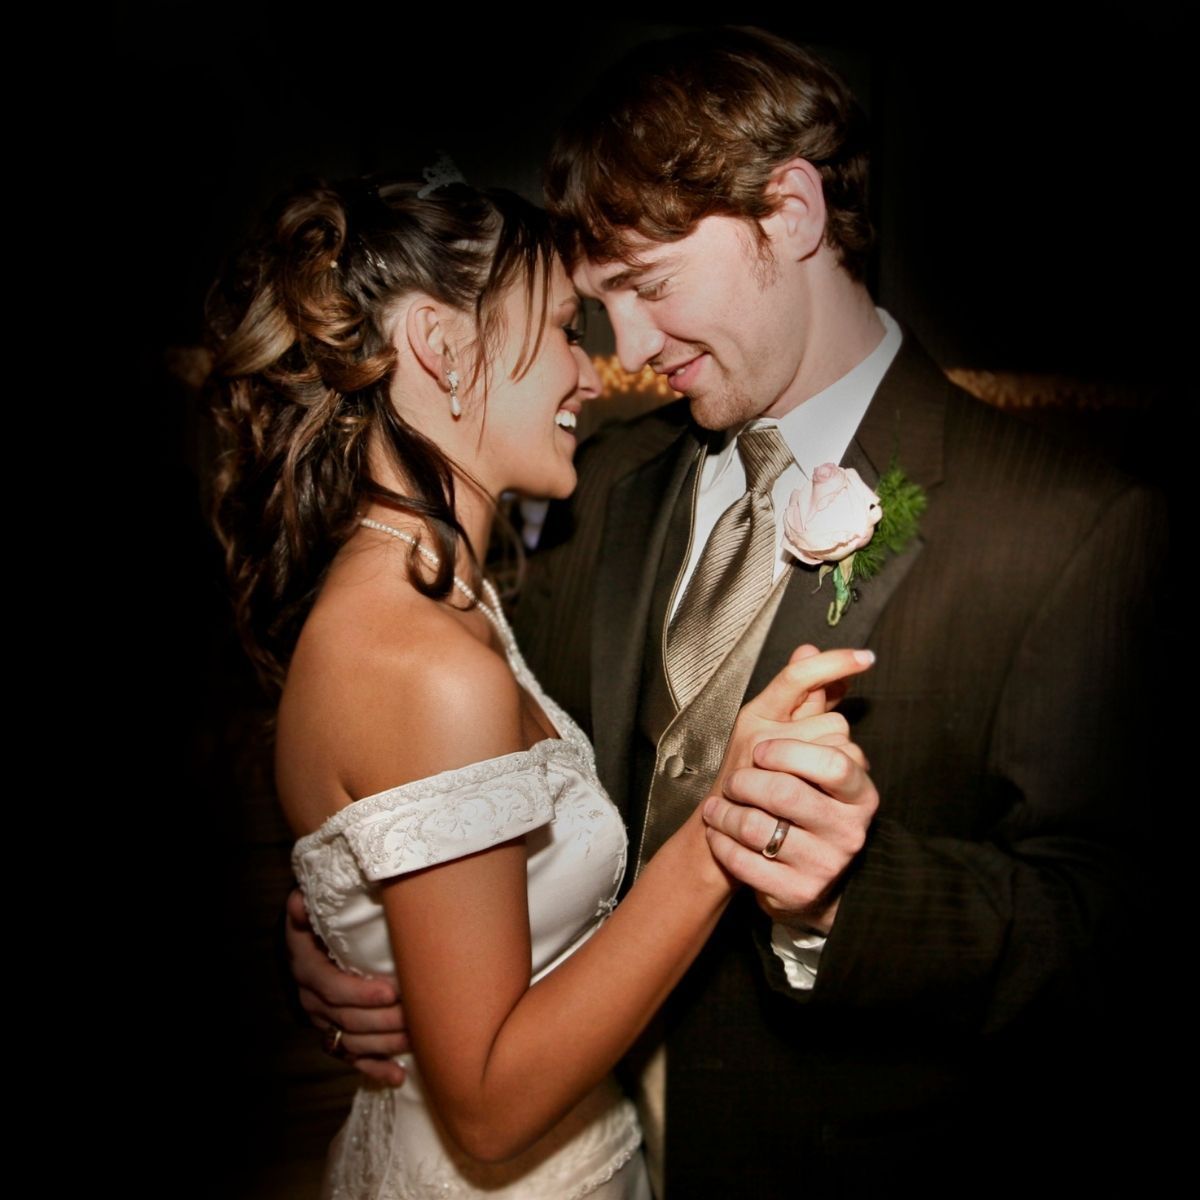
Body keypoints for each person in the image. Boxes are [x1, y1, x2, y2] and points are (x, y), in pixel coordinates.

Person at [290, 30, 1166, 1197]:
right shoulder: (596, 478)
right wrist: (349, 922)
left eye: (650, 288)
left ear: (791, 213)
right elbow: (453, 763)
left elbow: (1116, 935)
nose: (631, 354)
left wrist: (846, 893)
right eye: (600, 311)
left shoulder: (1069, 530)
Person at [210, 170, 877, 1198]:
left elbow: (416, 853)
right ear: (440, 348)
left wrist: (350, 919)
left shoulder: (456, 600)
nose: (591, 368)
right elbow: (484, 1109)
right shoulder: (425, 659)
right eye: (567, 324)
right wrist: (722, 826)